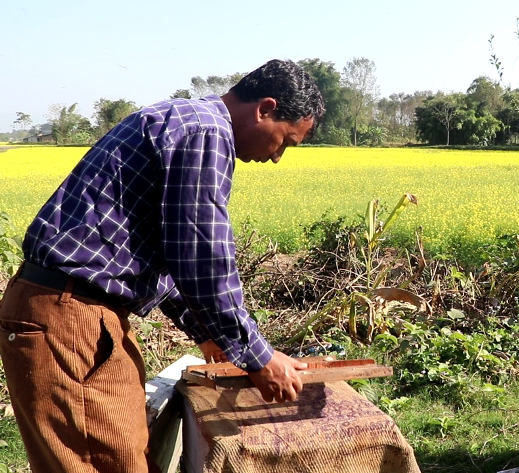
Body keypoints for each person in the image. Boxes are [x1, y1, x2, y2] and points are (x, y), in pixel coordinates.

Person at [0, 59, 325, 473]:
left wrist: (212, 335)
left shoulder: (184, 121)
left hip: (75, 313)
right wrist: (257, 356)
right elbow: (201, 257)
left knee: (123, 454)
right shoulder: (207, 132)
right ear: (265, 109)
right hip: (71, 316)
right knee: (103, 463)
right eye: (285, 141)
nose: (277, 156)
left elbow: (166, 257)